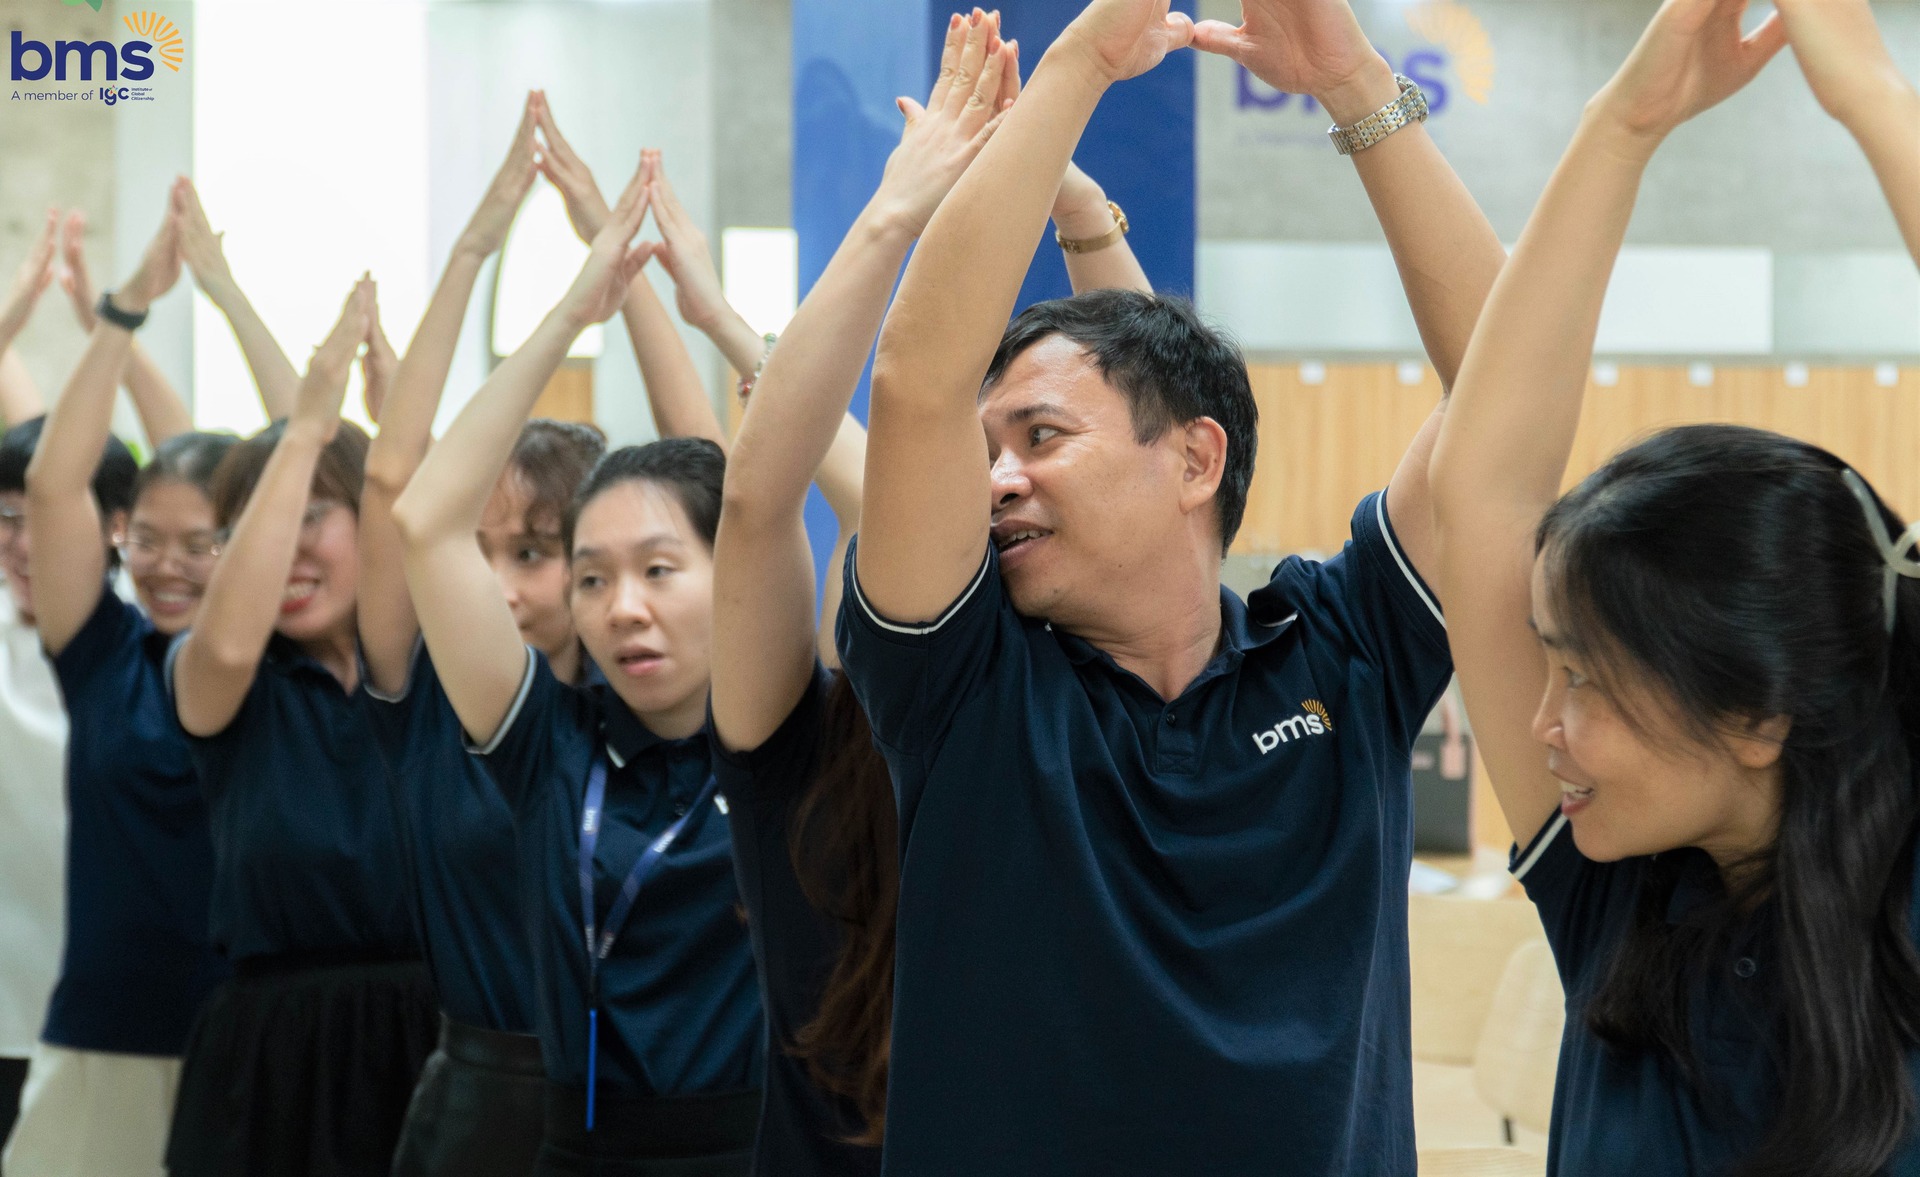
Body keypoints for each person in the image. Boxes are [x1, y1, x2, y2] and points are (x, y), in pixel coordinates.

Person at [835, 0, 1506, 1170]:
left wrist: (1355, 83)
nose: (998, 479)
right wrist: (1080, 63)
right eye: (986, 448)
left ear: (1196, 460)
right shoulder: (967, 685)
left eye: (1041, 435)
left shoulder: (1343, 650)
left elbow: (1509, 372)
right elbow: (915, 377)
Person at [1428, 0, 1920, 1172]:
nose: (1543, 722)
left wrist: (1871, 98)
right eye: (1552, 662)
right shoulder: (1618, 893)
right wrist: (1622, 126)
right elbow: (1481, 491)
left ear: (1759, 715)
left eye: (1590, 679)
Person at [393, 160, 762, 1177]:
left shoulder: (785, 735)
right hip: (573, 1150)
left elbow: (748, 492)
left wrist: (716, 320)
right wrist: (568, 313)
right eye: (591, 577)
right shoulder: (553, 745)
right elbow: (423, 519)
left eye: (657, 571)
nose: (623, 605)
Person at [164, 279, 437, 1177]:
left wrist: (400, 433)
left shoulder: (439, 668)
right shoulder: (224, 678)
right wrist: (306, 432)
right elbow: (227, 636)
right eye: (247, 532)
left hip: (435, 1038)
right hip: (272, 1059)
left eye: (311, 515)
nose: (283, 551)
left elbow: (452, 530)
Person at [0, 199, 233, 1177]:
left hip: (227, 1022)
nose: (168, 562)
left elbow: (210, 475)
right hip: (83, 1016)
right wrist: (114, 314)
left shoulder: (247, 663)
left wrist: (151, 312)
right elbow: (51, 484)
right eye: (149, 540)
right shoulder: (97, 647)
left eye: (197, 544)